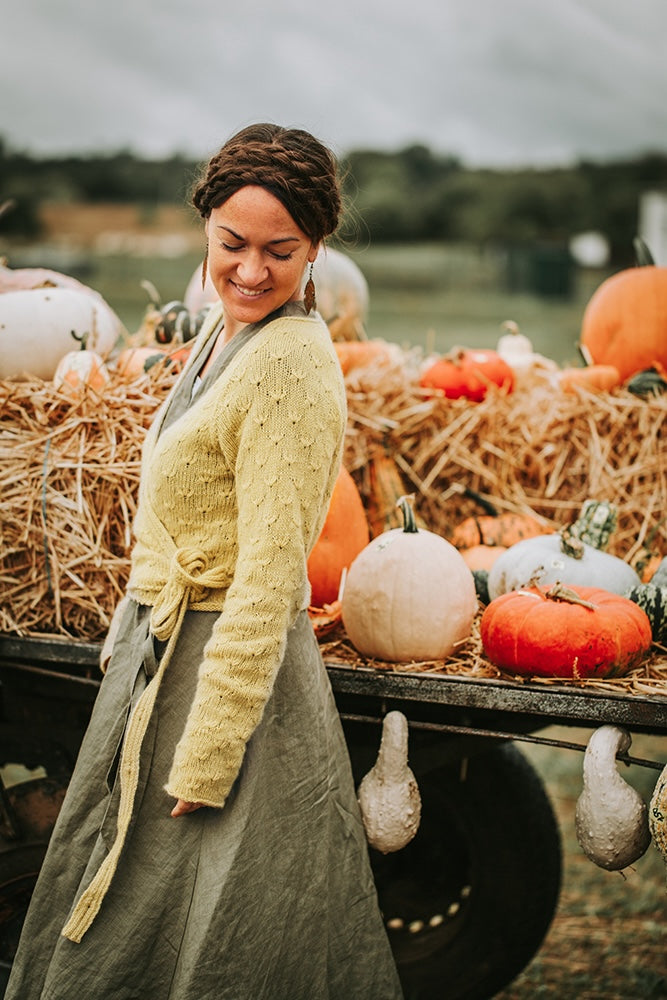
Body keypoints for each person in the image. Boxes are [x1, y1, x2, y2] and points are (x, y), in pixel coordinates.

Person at [6, 123, 404, 1000]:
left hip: (229, 688)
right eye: (232, 244)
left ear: (317, 250)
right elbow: (173, 511)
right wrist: (132, 612)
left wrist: (210, 752)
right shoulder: (225, 340)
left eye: (280, 251)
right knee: (142, 911)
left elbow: (269, 578)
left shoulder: (290, 367)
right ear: (205, 231)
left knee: (228, 934)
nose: (252, 270)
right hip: (168, 649)